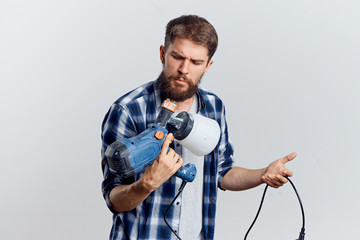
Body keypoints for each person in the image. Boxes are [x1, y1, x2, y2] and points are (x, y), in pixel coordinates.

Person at [101, 15, 297, 240]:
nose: (184, 69)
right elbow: (114, 199)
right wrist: (147, 184)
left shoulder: (213, 107)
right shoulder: (128, 110)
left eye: (196, 62)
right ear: (163, 53)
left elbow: (223, 173)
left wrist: (263, 174)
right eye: (177, 57)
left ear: (208, 66)